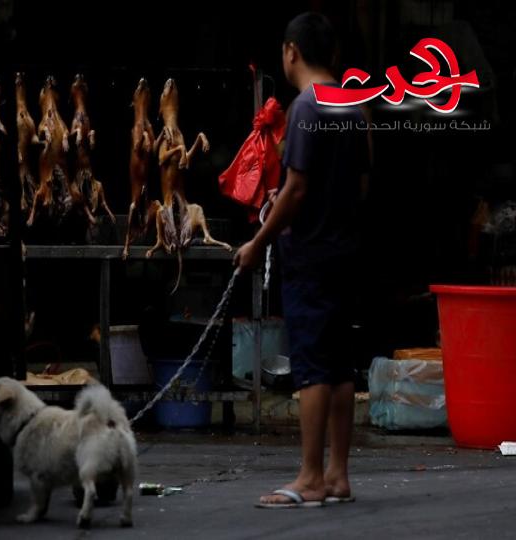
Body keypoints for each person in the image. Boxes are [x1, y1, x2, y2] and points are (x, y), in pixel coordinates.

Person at [234, 12, 369, 508]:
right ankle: (337, 475)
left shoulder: (307, 107)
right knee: (338, 364)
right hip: (344, 250)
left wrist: (258, 243)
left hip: (310, 253)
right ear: (332, 54)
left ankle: (311, 477)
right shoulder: (355, 108)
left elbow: (295, 188)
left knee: (313, 365)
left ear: (291, 52)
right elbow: (361, 185)